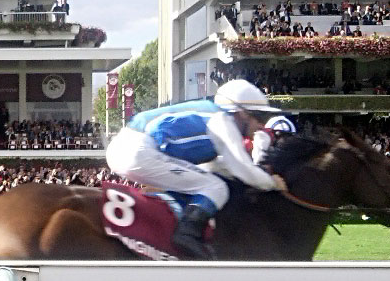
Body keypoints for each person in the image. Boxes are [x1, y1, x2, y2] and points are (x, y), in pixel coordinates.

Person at [104, 79, 287, 259]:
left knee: (205, 183)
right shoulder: (222, 121)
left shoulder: (215, 118)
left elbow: (218, 167)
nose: (263, 125)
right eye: (259, 117)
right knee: (216, 187)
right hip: (136, 149)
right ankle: (187, 234)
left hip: (129, 148)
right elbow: (242, 169)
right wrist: (272, 182)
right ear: (242, 113)